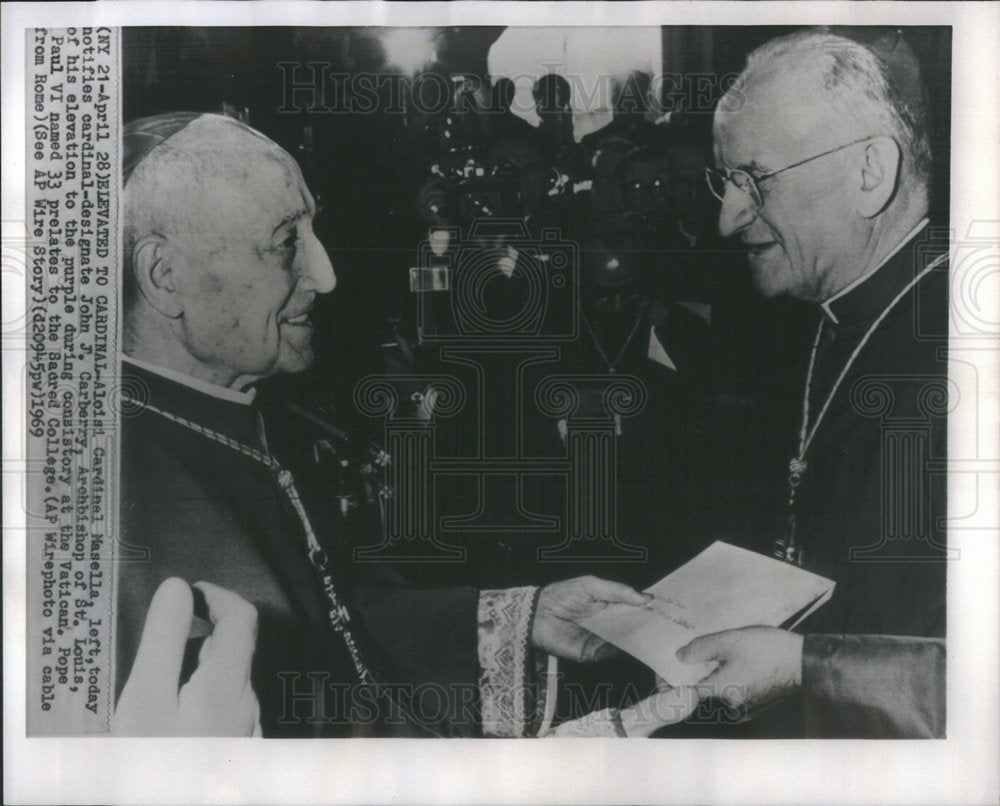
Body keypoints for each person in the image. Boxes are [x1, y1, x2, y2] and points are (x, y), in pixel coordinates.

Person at [116, 111, 659, 738]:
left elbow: (331, 620)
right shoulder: (111, 497)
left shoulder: (255, 414)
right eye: (287, 242)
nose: (325, 275)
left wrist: (521, 616)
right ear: (165, 277)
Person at [674, 27, 948, 737]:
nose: (727, 217)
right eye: (724, 180)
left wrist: (804, 666)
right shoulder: (830, 315)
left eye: (755, 180)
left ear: (869, 172)